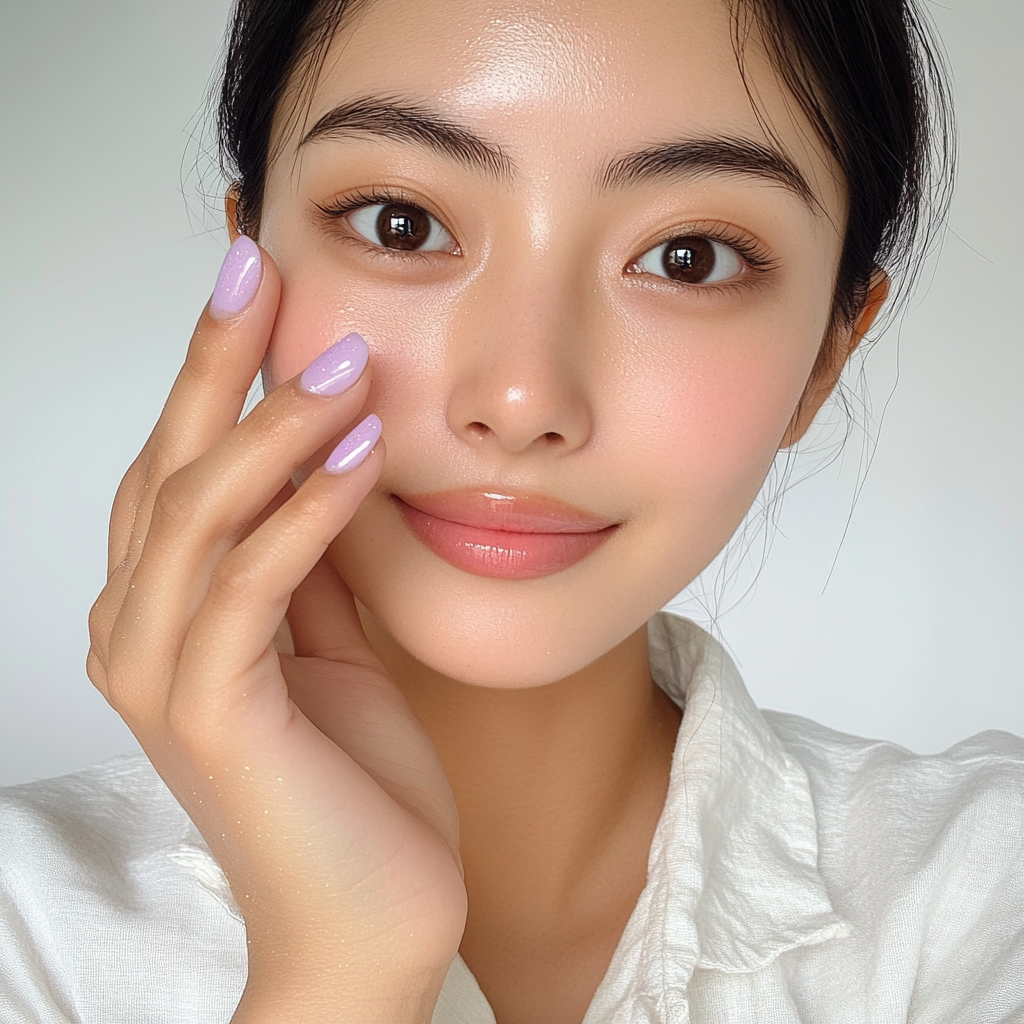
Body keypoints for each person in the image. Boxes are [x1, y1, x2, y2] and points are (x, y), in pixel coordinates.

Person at [1, 0, 1021, 1022]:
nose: (522, 400)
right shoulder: (28, 929)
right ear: (248, 264)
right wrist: (341, 969)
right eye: (401, 224)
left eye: (688, 256)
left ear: (827, 356)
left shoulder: (986, 893)